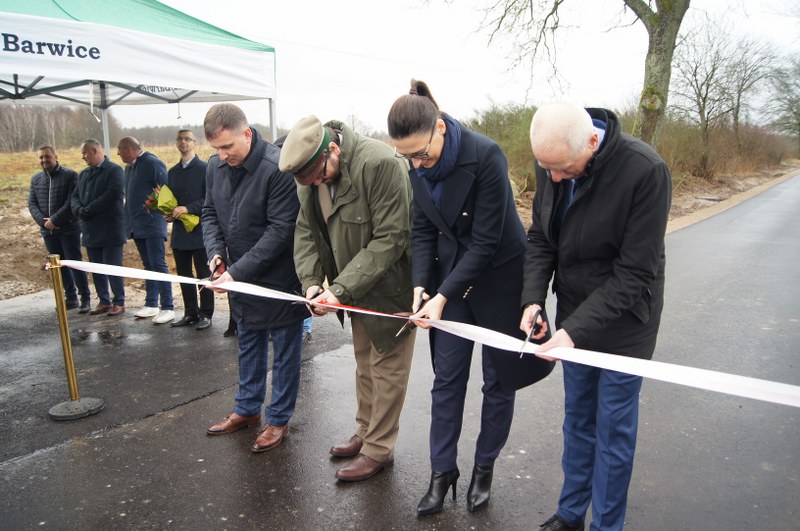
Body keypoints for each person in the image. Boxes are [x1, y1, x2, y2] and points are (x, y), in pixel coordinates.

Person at [387, 80, 553, 515]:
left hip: (499, 276)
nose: (417, 165)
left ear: (440, 127)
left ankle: (483, 469)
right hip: (449, 281)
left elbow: (484, 242)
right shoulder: (416, 164)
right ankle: (442, 473)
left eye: (422, 154)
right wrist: (422, 284)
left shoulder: (486, 156)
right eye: (408, 158)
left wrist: (441, 294)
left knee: (498, 381)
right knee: (447, 379)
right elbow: (421, 229)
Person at [520, 103, 671, 531]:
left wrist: (574, 332)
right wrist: (533, 300)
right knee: (579, 419)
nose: (552, 178)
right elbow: (541, 238)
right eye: (546, 168)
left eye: (563, 169)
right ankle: (570, 515)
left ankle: (606, 525)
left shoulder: (645, 172)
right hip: (572, 313)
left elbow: (636, 272)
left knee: (613, 433)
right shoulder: (552, 158)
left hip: (627, 323)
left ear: (592, 142)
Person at [280, 115, 416, 482]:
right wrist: (311, 283)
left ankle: (378, 449)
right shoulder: (309, 177)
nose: (317, 184)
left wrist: (339, 290)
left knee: (388, 368)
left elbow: (391, 238)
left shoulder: (381, 164)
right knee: (364, 364)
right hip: (351, 290)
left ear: (333, 149)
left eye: (320, 177)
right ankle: (365, 429)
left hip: (389, 289)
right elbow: (305, 231)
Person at [202, 103, 307, 453]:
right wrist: (216, 254)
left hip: (279, 280)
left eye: (227, 146)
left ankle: (277, 419)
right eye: (215, 148)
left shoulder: (276, 167)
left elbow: (280, 232)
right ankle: (247, 409)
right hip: (239, 279)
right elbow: (209, 213)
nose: (221, 155)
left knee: (285, 351)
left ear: (247, 134)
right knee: (247, 342)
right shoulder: (215, 167)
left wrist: (236, 271)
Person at [118, 137, 174, 324]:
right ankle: (151, 304)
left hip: (152, 224)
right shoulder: (129, 168)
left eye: (120, 150)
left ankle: (168, 307)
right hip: (137, 226)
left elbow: (165, 188)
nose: (118, 154)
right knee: (148, 266)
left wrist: (152, 207)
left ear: (128, 149)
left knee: (158, 265)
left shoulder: (152, 163)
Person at [29, 145, 91, 313]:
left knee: (74, 263)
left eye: (47, 157)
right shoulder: (35, 179)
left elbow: (72, 201)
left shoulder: (70, 175)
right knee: (58, 265)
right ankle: (70, 298)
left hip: (68, 229)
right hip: (48, 232)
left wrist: (55, 220)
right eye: (41, 157)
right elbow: (32, 204)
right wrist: (44, 223)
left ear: (55, 157)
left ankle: (85, 298)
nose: (44, 160)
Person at [165, 129, 214, 331]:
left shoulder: (204, 169)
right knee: (183, 274)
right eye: (180, 139)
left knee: (203, 274)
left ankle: (206, 313)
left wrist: (188, 208)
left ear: (195, 143)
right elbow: (170, 198)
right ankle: (190, 312)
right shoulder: (173, 172)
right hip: (179, 232)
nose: (183, 142)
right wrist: (168, 212)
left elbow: (209, 199)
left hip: (200, 230)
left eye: (187, 139)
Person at [71, 139, 126, 316]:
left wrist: (89, 209)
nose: (83, 157)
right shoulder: (84, 174)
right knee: (96, 267)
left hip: (110, 228)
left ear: (95, 151)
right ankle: (103, 300)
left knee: (112, 267)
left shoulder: (114, 170)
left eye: (85, 153)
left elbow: (113, 194)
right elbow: (75, 196)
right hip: (90, 229)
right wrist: (79, 209)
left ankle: (119, 301)